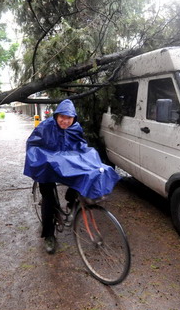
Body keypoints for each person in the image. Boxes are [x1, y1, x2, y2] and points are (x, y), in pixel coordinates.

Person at [23, 99, 120, 254]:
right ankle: (49, 235)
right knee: (48, 199)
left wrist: (87, 154)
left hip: (65, 166)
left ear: (74, 118)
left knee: (83, 178)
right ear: (56, 116)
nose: (65, 121)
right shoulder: (45, 127)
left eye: (69, 118)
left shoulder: (75, 128)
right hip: (47, 166)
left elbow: (80, 145)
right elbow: (32, 145)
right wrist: (47, 158)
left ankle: (70, 202)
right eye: (62, 117)